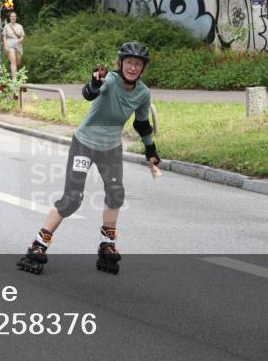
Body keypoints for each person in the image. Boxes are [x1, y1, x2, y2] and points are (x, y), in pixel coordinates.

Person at [17, 42, 160, 276]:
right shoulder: (111, 81)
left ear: (143, 68)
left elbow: (141, 123)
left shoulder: (143, 92)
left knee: (116, 193)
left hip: (110, 149)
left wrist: (150, 150)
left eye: (138, 64)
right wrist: (94, 83)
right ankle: (38, 244)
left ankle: (107, 244)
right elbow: (89, 94)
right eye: (129, 63)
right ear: (121, 63)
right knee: (72, 198)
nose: (133, 68)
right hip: (84, 144)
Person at [3, 11, 25, 76]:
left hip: (18, 44)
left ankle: (14, 74)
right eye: (11, 16)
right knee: (13, 61)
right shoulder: (6, 26)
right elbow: (4, 37)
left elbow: (22, 36)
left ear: (16, 18)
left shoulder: (20, 26)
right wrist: (6, 46)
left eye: (14, 16)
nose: (13, 17)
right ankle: (14, 79)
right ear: (10, 18)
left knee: (18, 62)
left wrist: (20, 40)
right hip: (10, 43)